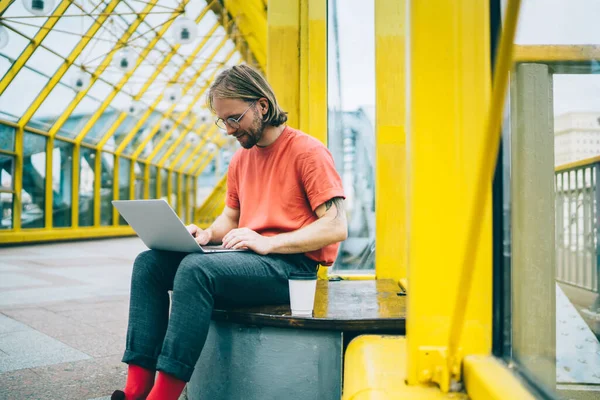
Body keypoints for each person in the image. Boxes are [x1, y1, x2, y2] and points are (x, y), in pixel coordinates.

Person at [112, 64, 347, 400]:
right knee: (149, 263)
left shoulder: (308, 152)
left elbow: (336, 226)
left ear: (262, 106)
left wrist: (269, 243)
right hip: (251, 260)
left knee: (196, 270)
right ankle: (135, 390)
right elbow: (230, 218)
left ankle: (161, 396)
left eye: (234, 118)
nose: (228, 129)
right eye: (223, 121)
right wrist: (206, 235)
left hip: (293, 269)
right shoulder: (241, 158)